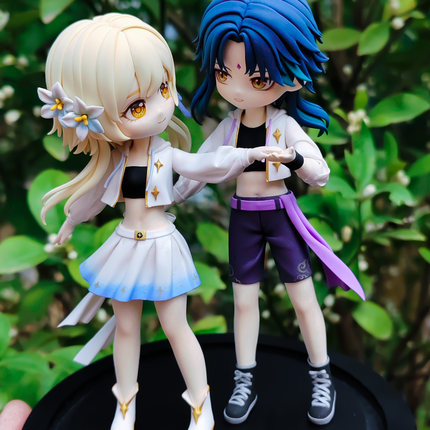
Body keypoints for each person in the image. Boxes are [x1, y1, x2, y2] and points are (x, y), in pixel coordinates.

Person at [38, 13, 280, 430]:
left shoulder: (167, 154)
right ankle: (125, 404)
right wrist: (70, 223)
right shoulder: (115, 161)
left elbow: (205, 165)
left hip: (161, 247)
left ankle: (200, 404)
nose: (159, 107)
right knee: (125, 329)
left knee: (176, 328)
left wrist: (248, 155)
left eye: (164, 89)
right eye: (136, 106)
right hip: (125, 248)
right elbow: (92, 195)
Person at [173, 0, 365, 426]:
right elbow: (198, 170)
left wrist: (294, 159)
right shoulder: (229, 127)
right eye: (224, 73)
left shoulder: (284, 124)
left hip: (279, 215)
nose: (238, 89)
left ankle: (321, 375)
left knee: (304, 300)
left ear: (290, 76)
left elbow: (320, 172)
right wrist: (165, 198)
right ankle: (244, 379)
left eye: (257, 78)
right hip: (243, 217)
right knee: (244, 303)